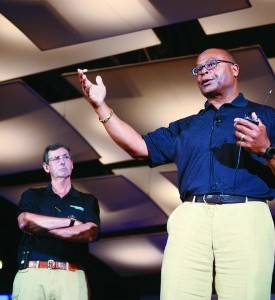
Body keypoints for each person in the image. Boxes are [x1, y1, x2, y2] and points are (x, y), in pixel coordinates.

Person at [78, 48, 275, 300]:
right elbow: (140, 147)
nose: (203, 71)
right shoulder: (185, 126)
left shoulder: (267, 118)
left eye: (212, 64)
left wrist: (266, 149)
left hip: (246, 213)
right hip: (192, 215)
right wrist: (100, 106)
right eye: (198, 69)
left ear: (234, 69)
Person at [12, 143, 100, 300]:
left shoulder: (87, 200)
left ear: (72, 164)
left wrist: (40, 228)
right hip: (33, 274)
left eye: (66, 157)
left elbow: (90, 233)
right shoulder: (33, 195)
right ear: (46, 167)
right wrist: (71, 222)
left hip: (71, 276)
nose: (62, 161)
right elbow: (25, 222)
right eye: (56, 158)